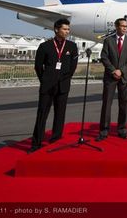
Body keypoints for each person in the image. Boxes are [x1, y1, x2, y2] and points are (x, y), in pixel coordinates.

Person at [29, 18, 78, 153]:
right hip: (47, 86)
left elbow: (73, 67)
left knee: (60, 114)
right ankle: (36, 143)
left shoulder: (72, 46)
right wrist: (45, 80)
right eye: (64, 29)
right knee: (42, 114)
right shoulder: (45, 46)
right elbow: (38, 67)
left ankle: (55, 140)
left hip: (63, 86)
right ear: (56, 29)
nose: (67, 31)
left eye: (68, 29)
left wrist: (64, 80)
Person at [96, 18, 127, 141]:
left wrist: (121, 71)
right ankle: (103, 131)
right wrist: (113, 70)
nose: (125, 28)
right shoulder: (108, 40)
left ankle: (122, 130)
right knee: (107, 104)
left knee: (123, 104)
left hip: (124, 77)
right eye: (122, 26)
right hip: (110, 76)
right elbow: (104, 57)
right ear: (116, 27)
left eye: (126, 26)